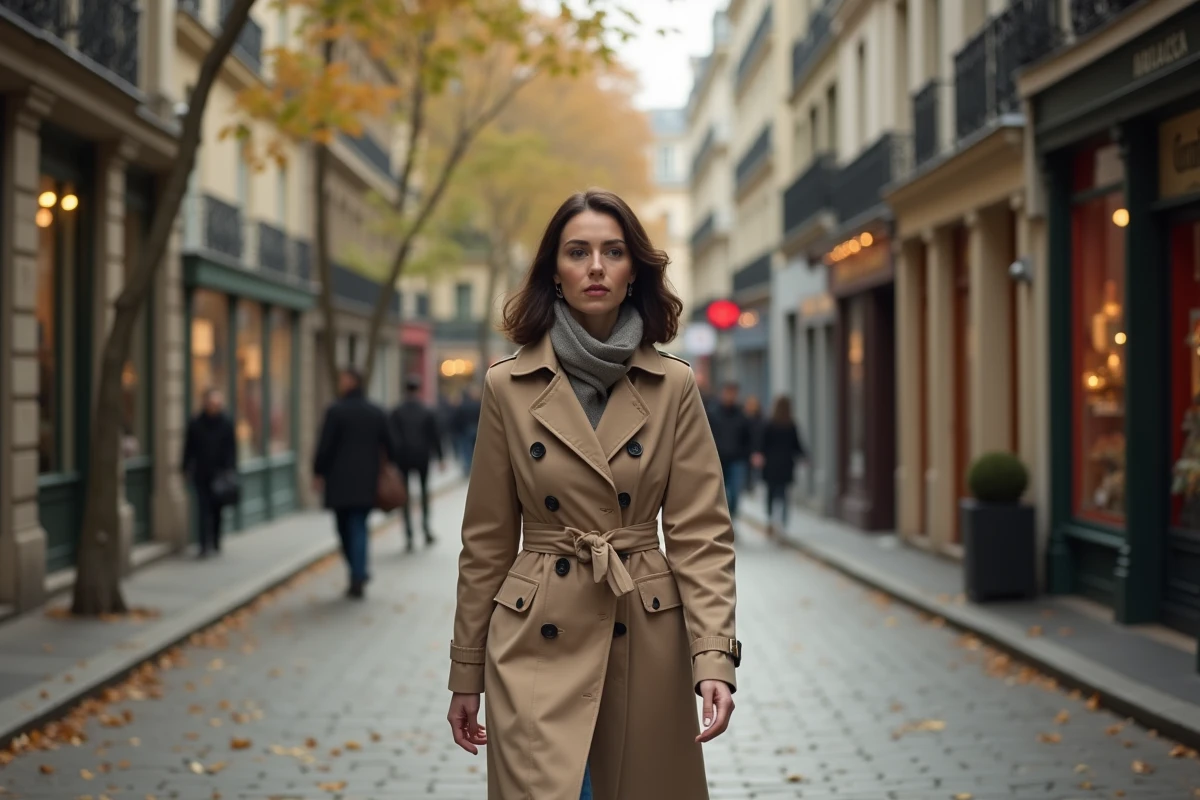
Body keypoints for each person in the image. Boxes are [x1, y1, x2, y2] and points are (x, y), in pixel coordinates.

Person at [445, 189, 740, 800]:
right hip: (534, 637)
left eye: (613, 251)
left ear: (635, 270)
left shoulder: (674, 385)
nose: (597, 267)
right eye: (578, 252)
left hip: (644, 632)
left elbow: (701, 534)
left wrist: (715, 658)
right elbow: (486, 542)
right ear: (555, 270)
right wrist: (464, 671)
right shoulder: (508, 386)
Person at [312, 367, 399, 599]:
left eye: (343, 379)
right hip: (366, 480)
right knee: (358, 526)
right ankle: (358, 572)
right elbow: (391, 446)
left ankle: (357, 573)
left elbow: (325, 446)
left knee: (344, 527)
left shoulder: (336, 411)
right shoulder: (376, 412)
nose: (340, 383)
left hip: (339, 481)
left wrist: (318, 472)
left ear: (351, 382)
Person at [389, 375, 444, 551]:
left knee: (404, 496)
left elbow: (392, 437)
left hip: (403, 458)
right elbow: (434, 436)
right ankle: (426, 529)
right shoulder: (426, 410)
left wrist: (392, 459)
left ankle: (409, 535)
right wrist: (441, 457)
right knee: (424, 492)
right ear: (418, 389)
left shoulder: (397, 411)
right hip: (422, 457)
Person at [181, 388, 237, 558]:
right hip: (201, 473)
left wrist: (230, 469)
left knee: (217, 509)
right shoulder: (196, 423)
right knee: (203, 509)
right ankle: (204, 545)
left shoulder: (226, 422)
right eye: (211, 403)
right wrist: (184, 467)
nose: (214, 406)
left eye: (217, 403)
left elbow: (232, 449)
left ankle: (216, 540)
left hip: (219, 474)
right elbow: (188, 447)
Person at [760, 396, 808, 536]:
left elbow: (762, 443)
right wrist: (804, 456)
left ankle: (770, 520)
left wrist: (759, 455)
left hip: (771, 465)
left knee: (771, 494)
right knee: (783, 495)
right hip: (786, 465)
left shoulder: (769, 424)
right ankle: (782, 524)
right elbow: (797, 445)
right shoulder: (791, 425)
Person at [708, 382, 755, 518]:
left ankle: (732, 516)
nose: (730, 396)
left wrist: (749, 454)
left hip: (737, 459)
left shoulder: (741, 414)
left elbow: (748, 436)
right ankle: (723, 517)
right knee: (720, 492)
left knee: (735, 491)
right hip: (719, 459)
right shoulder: (713, 413)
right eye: (728, 393)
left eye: (733, 393)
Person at [454, 385, 482, 476]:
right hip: (476, 429)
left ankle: (467, 468)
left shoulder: (461, 405)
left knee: (466, 450)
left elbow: (457, 419)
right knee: (475, 450)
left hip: (465, 430)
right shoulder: (477, 404)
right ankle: (476, 467)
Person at [742, 394, 765, 494]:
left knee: (755, 474)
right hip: (745, 452)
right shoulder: (743, 419)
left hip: (757, 450)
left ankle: (753, 487)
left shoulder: (761, 421)